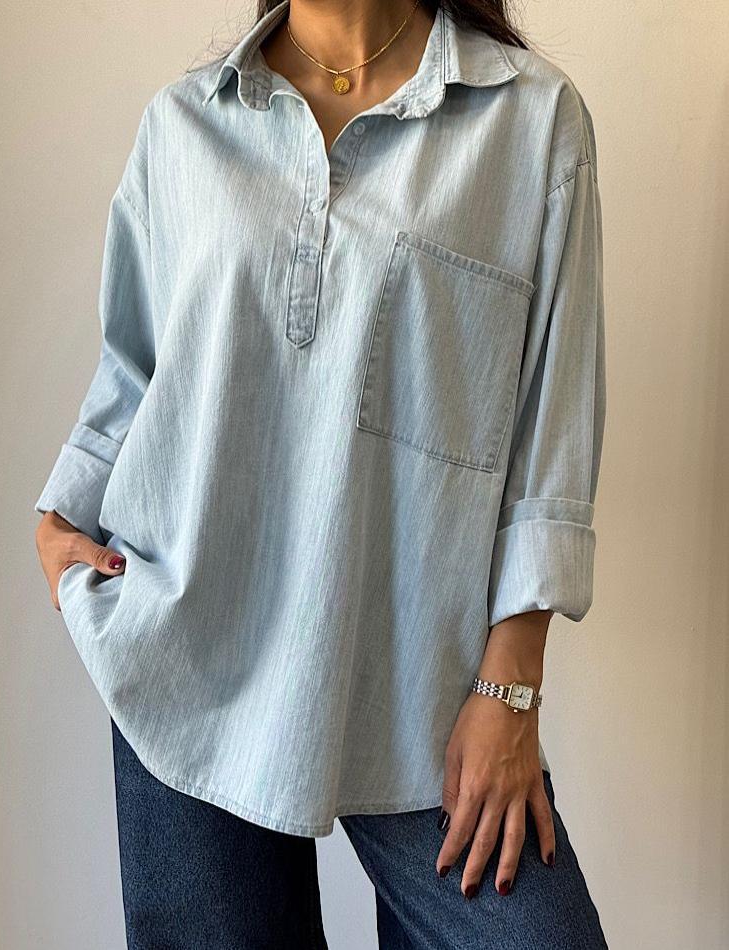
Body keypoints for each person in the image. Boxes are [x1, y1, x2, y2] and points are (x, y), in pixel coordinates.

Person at [33, 1, 608, 946]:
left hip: (424, 683)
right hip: (190, 648)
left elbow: (552, 418)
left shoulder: (531, 119)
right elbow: (135, 368)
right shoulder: (185, 123)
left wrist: (513, 687)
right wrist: (61, 515)